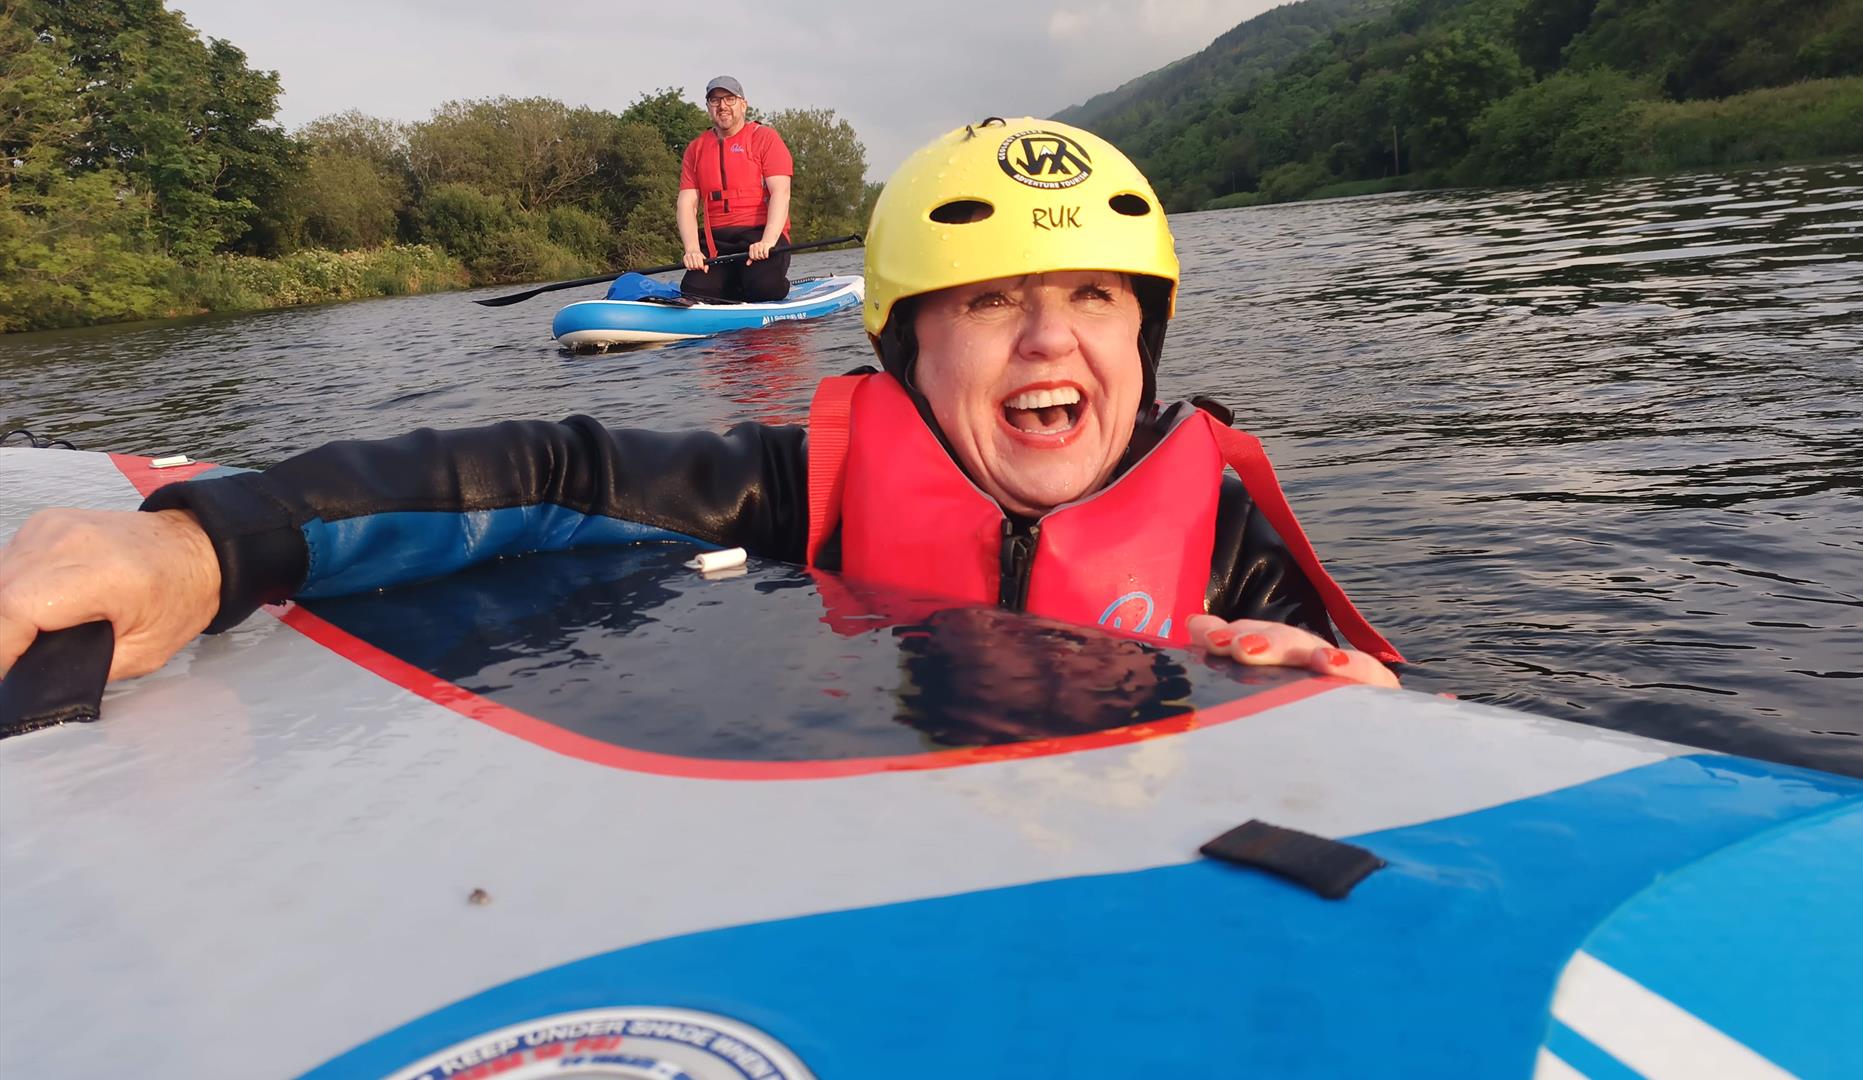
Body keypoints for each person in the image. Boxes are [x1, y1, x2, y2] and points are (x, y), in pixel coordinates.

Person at [0, 117, 1402, 691]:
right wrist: (202, 545)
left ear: (1143, 340)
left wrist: (1354, 708)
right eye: (988, 300)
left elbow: (1393, 742)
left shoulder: (1223, 542)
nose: (1053, 339)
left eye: (1097, 298)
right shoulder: (800, 488)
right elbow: (544, 464)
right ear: (908, 347)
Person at [675, 76, 793, 302]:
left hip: (758, 236)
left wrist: (767, 241)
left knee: (764, 288)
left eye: (730, 98)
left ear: (743, 104)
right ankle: (731, 285)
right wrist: (692, 250)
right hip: (716, 243)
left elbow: (781, 193)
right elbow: (686, 204)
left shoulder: (765, 138)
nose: (722, 106)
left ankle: (757, 283)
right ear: (708, 106)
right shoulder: (696, 149)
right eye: (715, 100)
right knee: (694, 290)